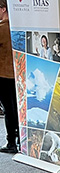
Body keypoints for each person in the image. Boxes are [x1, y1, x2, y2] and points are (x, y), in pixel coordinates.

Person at [0, 0, 19, 153]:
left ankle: (11, 142)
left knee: (9, 110)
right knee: (15, 108)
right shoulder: (15, 27)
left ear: (4, 9)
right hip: (15, 74)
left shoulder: (2, 28)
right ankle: (18, 139)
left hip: (3, 75)